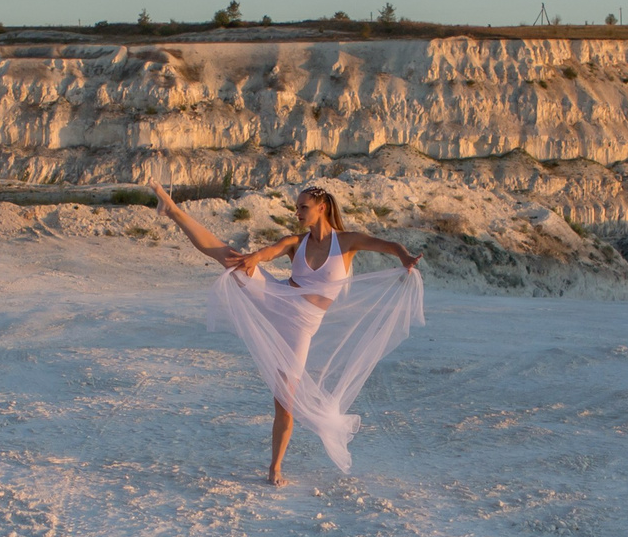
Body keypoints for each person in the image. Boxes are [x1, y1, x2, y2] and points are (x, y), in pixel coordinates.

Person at [150, 181, 424, 484]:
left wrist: (404, 257)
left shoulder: (346, 242)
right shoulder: (296, 241)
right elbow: (271, 251)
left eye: (303, 207)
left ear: (322, 208)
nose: (297, 212)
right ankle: (173, 210)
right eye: (296, 207)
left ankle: (275, 467)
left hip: (300, 329)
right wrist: (255, 257)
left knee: (285, 403)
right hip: (277, 299)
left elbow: (388, 245)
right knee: (229, 257)